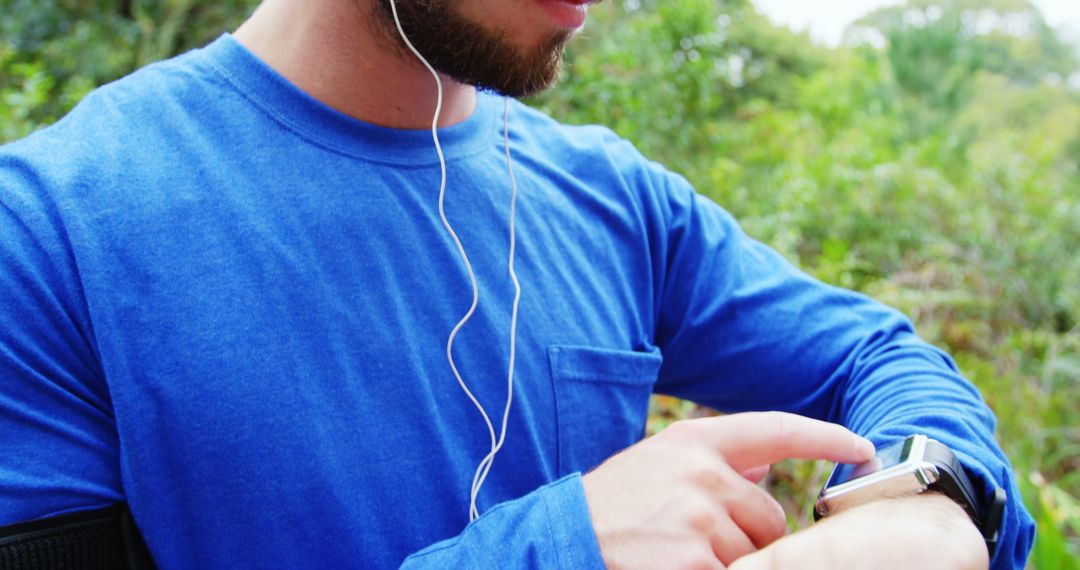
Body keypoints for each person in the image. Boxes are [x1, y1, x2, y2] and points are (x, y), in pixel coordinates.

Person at [0, 0, 1035, 568]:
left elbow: (879, 353)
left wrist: (932, 504)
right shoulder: (51, 230)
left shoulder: (617, 198)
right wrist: (563, 547)